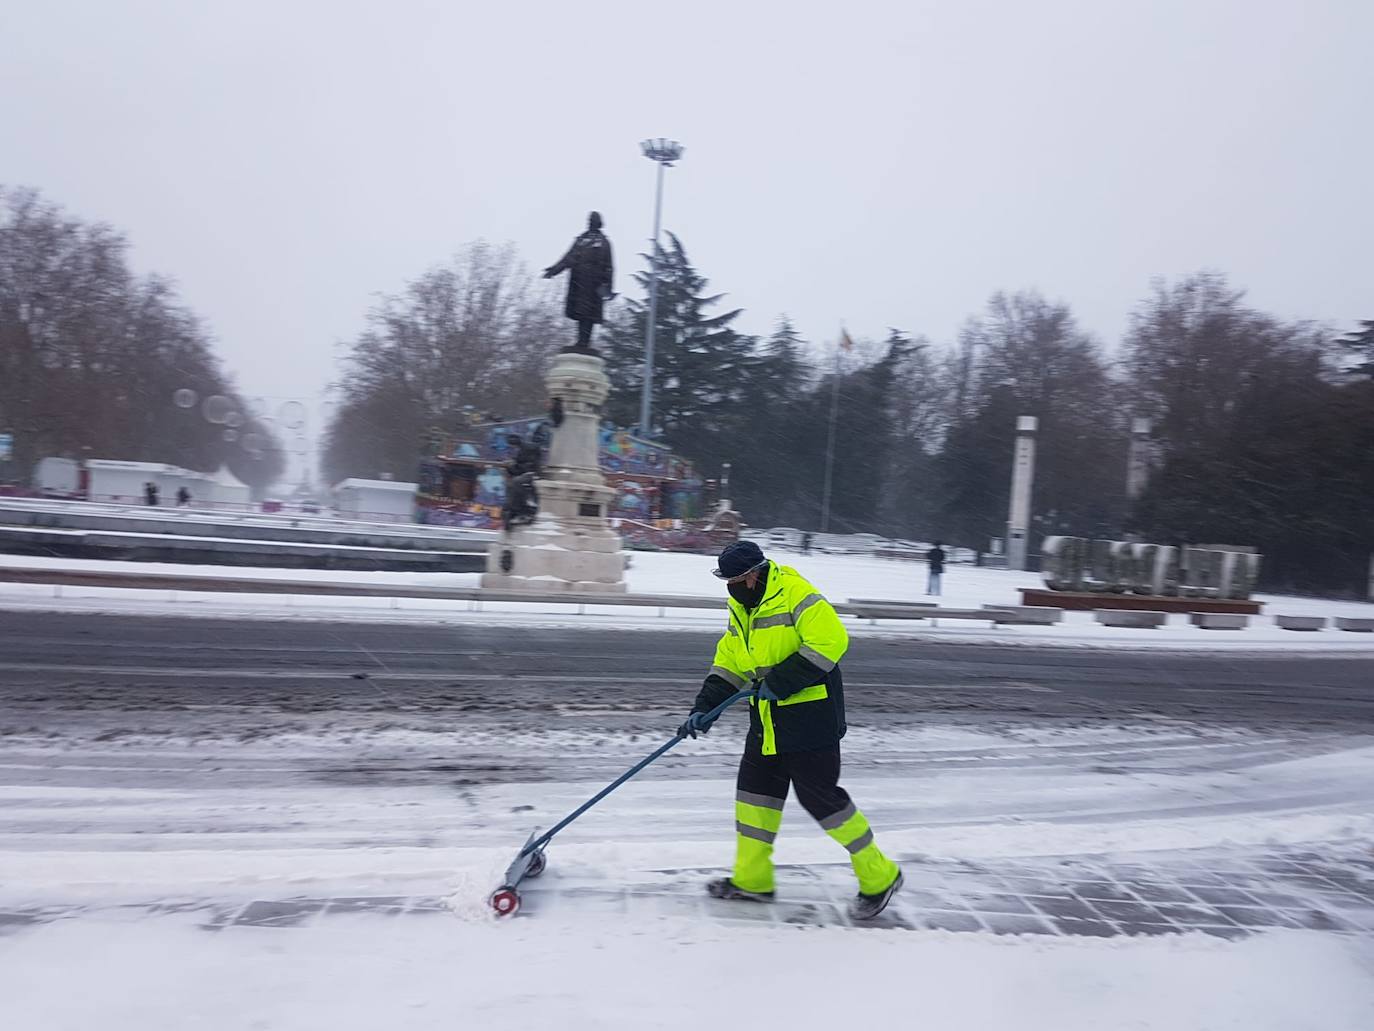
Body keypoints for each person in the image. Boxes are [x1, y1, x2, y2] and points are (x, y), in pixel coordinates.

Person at [679, 540, 904, 920]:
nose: (731, 587)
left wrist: (783, 680)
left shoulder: (796, 593)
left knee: (823, 802)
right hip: (767, 722)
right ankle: (752, 881)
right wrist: (704, 708)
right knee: (754, 801)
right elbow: (730, 660)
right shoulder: (741, 606)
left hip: (809, 722)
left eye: (736, 579)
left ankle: (881, 875)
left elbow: (832, 641)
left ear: (754, 575)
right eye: (727, 581)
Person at [543, 211, 614, 354]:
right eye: (589, 219)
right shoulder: (582, 239)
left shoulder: (604, 242)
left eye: (592, 220)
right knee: (580, 312)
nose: (590, 222)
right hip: (579, 281)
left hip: (594, 284)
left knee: (589, 314)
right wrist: (554, 270)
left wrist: (608, 287)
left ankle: (584, 342)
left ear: (598, 222)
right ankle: (580, 341)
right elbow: (568, 258)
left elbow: (609, 267)